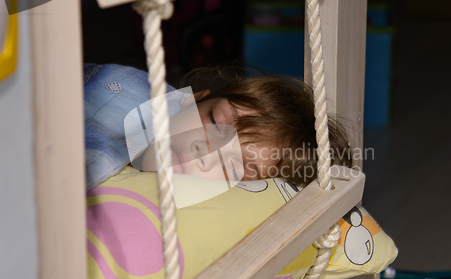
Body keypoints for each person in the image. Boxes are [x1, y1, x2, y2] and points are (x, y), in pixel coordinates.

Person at [84, 62, 353, 190]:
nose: (206, 153)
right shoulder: (128, 95)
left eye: (235, 167)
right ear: (193, 100)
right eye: (214, 121)